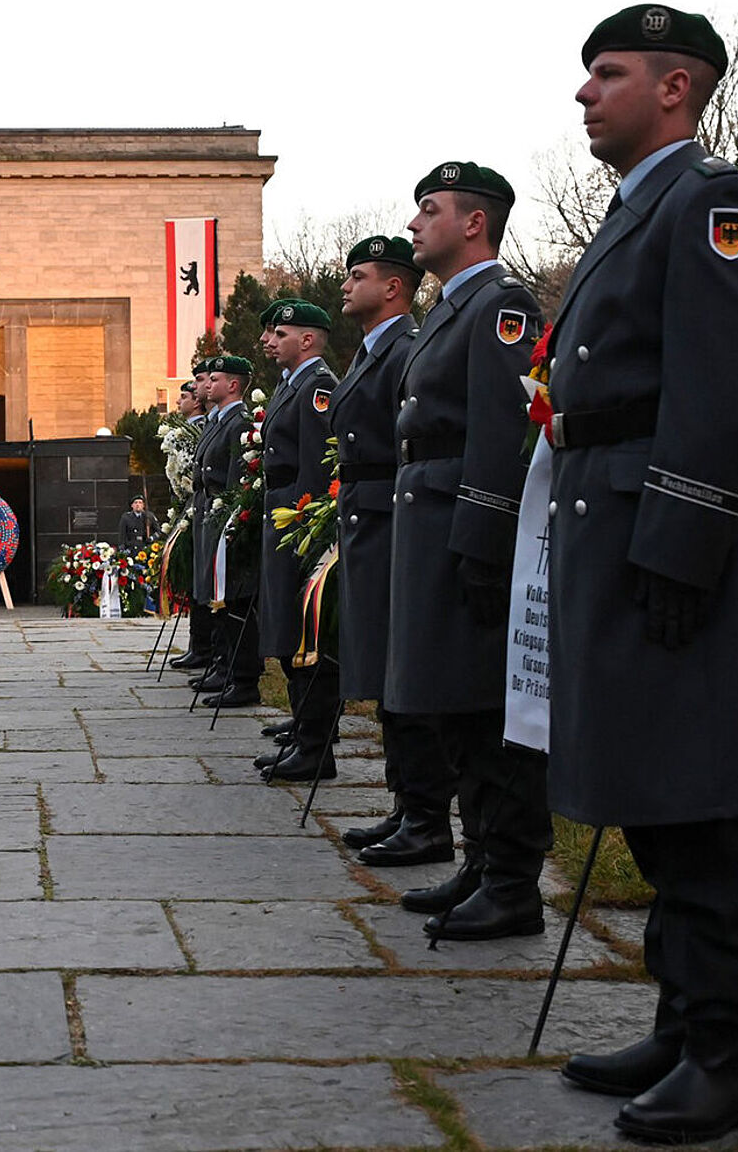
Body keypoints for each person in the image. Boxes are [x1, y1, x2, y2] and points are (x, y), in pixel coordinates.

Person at [549, 5, 738, 1143]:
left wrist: (681, 543)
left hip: (664, 530)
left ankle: (725, 1057)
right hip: (615, 519)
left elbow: (725, 388)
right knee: (654, 789)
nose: (584, 92)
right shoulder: (638, 207)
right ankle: (679, 1015)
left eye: (608, 73)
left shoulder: (710, 201)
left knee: (697, 802)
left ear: (676, 89)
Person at [376, 161, 552, 946]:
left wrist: (485, 537)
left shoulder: (500, 306)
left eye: (429, 209)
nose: (415, 225)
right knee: (453, 702)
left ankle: (513, 881)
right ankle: (482, 862)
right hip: (429, 515)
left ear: (473, 222)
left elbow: (501, 431)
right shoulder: (454, 309)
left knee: (486, 708)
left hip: (463, 519)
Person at [324, 238, 424, 850]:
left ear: (392, 287)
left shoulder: (404, 351)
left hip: (392, 516)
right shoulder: (369, 353)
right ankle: (406, 803)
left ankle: (423, 812)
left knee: (403, 668)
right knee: (387, 667)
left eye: (357, 276)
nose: (345, 285)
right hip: (366, 514)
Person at [250, 300, 340, 783]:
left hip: (298, 523)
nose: (268, 340)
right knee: (287, 626)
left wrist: (307, 527)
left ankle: (315, 746)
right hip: (282, 517)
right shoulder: (295, 385)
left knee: (305, 634)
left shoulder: (317, 386)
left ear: (307, 339)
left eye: (279, 333)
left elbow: (317, 464)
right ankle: (305, 731)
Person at [190, 354, 262, 708]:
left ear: (233, 385)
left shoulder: (238, 423)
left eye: (214, 379)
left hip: (226, 513)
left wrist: (233, 518)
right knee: (215, 592)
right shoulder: (218, 422)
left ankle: (241, 674)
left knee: (231, 592)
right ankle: (224, 665)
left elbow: (236, 475)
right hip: (211, 511)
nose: (205, 385)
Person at [168, 370, 215, 673]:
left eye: (186, 394)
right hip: (194, 507)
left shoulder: (205, 426)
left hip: (206, 508)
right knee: (196, 579)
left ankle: (207, 650)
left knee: (206, 581)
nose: (184, 398)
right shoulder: (197, 427)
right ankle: (199, 646)